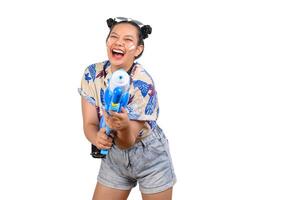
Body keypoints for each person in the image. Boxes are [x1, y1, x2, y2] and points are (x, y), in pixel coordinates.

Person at [79, 17, 176, 200]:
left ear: (138, 50)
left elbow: (127, 141)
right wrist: (97, 138)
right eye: (114, 37)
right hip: (114, 157)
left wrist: (122, 126)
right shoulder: (92, 74)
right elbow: (90, 123)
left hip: (149, 154)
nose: (119, 43)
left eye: (128, 40)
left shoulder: (142, 83)